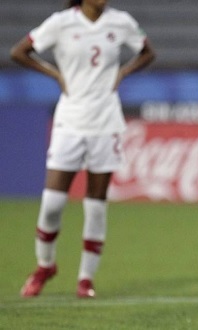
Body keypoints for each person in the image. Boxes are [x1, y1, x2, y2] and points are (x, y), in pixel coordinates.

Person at [11, 0, 155, 298]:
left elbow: (148, 52)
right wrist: (53, 73)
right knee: (52, 203)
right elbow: (19, 52)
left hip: (106, 122)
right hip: (70, 121)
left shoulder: (121, 21)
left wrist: (125, 71)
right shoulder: (61, 22)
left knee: (95, 204)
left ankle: (86, 279)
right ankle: (45, 265)